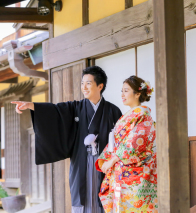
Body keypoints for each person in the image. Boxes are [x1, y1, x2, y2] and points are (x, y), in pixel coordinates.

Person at [11, 66, 122, 213]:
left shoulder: (113, 111)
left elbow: (122, 140)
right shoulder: (75, 107)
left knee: (105, 199)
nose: (84, 87)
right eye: (82, 83)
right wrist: (31, 105)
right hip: (81, 162)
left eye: (88, 83)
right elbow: (55, 111)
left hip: (105, 164)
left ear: (100, 86)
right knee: (82, 198)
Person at [95, 76, 157, 213]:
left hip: (134, 171)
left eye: (126, 91)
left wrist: (112, 160)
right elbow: (117, 142)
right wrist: (108, 159)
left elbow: (135, 144)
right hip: (122, 171)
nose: (122, 95)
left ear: (138, 93)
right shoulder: (128, 115)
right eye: (121, 91)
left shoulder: (143, 115)